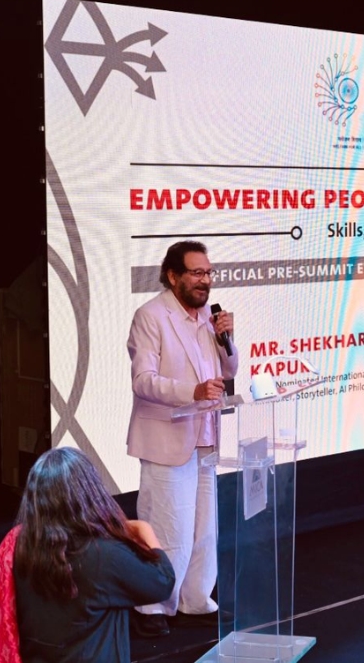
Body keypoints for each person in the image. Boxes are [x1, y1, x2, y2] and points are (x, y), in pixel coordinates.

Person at [126, 240, 238, 636]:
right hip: (166, 438)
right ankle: (151, 606)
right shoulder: (151, 316)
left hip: (205, 436)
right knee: (167, 526)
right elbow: (143, 381)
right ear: (173, 276)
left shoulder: (209, 317)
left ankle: (196, 598)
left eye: (208, 273)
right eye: (196, 273)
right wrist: (191, 391)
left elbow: (228, 371)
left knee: (204, 528)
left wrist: (227, 340)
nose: (205, 280)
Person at [15, 447, 175, 663]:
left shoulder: (21, 547)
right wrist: (146, 531)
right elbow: (162, 582)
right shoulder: (104, 554)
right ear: (89, 493)